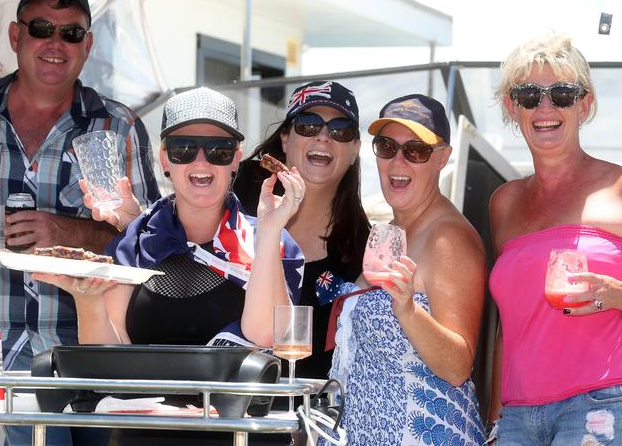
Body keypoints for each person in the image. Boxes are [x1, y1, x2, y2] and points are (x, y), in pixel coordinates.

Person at [34, 87, 305, 445]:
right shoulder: (136, 240)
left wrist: (270, 230)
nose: (201, 162)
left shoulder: (271, 240)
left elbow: (265, 337)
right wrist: (87, 298)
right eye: (183, 149)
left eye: (218, 150)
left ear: (236, 159)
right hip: (146, 435)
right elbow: (108, 363)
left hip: (242, 436)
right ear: (164, 159)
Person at [0, 0, 159, 446]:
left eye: (70, 33)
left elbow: (148, 242)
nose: (55, 43)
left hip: (93, 350)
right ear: (16, 36)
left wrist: (67, 230)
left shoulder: (117, 126)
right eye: (41, 28)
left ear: (87, 45)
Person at [486, 33, 622, 445]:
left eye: (561, 93)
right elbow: (506, 327)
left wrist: (615, 293)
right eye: (529, 95)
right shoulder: (504, 203)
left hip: (604, 406)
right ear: (512, 108)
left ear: (585, 104)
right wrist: (495, 420)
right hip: (516, 419)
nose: (545, 107)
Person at [327, 94, 487, 445]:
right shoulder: (389, 235)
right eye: (386, 146)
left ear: (442, 158)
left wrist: (408, 310)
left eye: (416, 150)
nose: (398, 160)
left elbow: (458, 366)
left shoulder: (449, 238)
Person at [234, 80, 370, 381]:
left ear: (355, 150)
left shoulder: (363, 249)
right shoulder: (236, 193)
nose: (323, 137)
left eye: (340, 130)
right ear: (285, 139)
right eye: (308, 125)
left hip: (307, 415)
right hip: (219, 404)